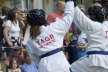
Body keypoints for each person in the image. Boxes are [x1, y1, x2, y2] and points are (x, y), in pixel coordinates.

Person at [26, 0, 75, 72]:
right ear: (43, 19)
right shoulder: (53, 28)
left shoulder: (30, 41)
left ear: (30, 23)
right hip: (60, 62)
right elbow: (68, 18)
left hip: (45, 66)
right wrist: (70, 2)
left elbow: (35, 59)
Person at [70, 3, 108, 72]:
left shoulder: (93, 26)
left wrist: (71, 3)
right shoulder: (106, 25)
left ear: (92, 16)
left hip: (95, 60)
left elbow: (79, 17)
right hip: (106, 60)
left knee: (70, 69)